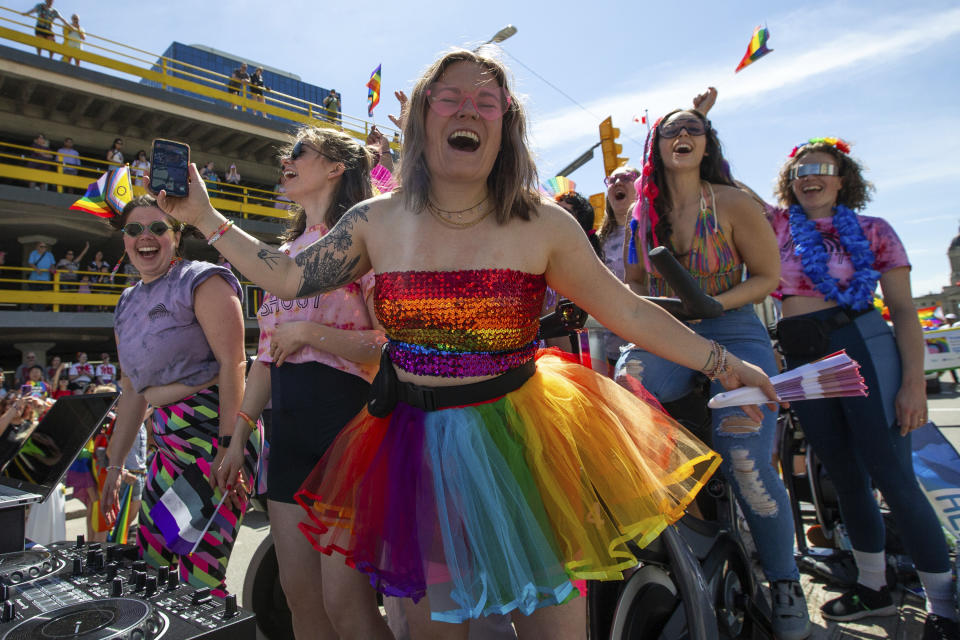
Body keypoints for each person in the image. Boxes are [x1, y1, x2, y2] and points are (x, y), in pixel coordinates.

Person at [156, 48, 778, 638]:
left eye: (486, 102)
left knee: (550, 622)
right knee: (434, 628)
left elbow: (627, 310)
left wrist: (725, 364)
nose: (467, 110)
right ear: (422, 117)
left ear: (506, 125)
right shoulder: (376, 219)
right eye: (449, 97)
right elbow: (287, 276)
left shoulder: (544, 223)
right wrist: (207, 219)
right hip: (414, 447)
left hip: (523, 440)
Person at [618, 107, 809, 640]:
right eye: (670, 130)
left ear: (707, 144)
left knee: (748, 464)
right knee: (627, 392)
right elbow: (632, 282)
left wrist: (713, 305)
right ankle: (679, 546)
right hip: (668, 334)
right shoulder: (641, 212)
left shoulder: (732, 202)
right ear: (655, 146)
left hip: (736, 330)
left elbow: (768, 277)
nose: (682, 136)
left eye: (692, 129)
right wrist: (664, 309)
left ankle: (785, 584)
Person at [771, 138, 958, 640]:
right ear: (789, 182)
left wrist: (914, 384)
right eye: (800, 170)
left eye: (822, 168)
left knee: (892, 476)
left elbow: (902, 312)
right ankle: (874, 587)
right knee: (842, 475)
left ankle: (943, 606)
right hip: (802, 351)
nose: (810, 177)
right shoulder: (775, 225)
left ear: (842, 177)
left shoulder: (875, 231)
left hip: (862, 344)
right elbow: (722, 185)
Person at [230, 127, 392, 639]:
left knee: (346, 606)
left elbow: (390, 345)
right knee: (301, 604)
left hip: (345, 433)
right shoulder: (282, 255)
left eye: (298, 151)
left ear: (336, 166)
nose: (286, 160)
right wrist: (238, 436)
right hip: (287, 439)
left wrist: (312, 333)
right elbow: (263, 359)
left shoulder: (363, 240)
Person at [101, 195, 261, 595]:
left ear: (177, 235)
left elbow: (233, 364)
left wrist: (230, 445)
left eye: (158, 227)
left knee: (200, 573)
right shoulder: (125, 304)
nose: (146, 237)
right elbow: (133, 390)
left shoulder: (203, 280)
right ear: (124, 239)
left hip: (213, 436)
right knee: (151, 560)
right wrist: (115, 465)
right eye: (134, 229)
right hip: (167, 446)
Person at [27, 240, 56, 308]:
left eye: (45, 247)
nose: (43, 248)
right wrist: (37, 269)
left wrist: (52, 268)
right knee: (33, 295)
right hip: (34, 279)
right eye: (42, 246)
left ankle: (42, 310)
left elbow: (53, 264)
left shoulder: (49, 254)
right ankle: (31, 309)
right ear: (37, 247)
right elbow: (30, 263)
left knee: (44, 295)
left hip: (45, 279)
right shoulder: (33, 253)